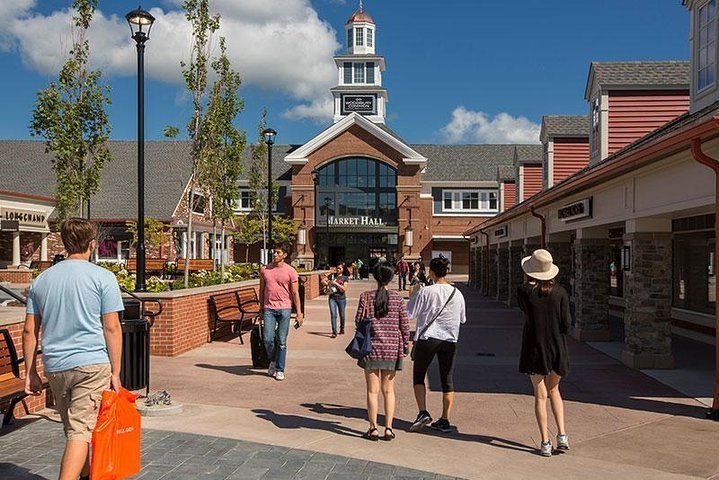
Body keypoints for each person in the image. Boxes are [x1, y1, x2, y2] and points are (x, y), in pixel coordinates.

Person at [23, 218, 124, 480]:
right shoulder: (103, 278)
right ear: (92, 244)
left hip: (56, 366)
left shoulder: (41, 281)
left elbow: (29, 331)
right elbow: (112, 328)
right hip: (92, 365)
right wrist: (116, 371)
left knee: (75, 429)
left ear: (65, 243)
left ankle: (86, 475)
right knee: (80, 430)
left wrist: (30, 371)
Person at [517, 249, 571, 457]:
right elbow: (567, 323)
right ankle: (563, 435)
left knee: (540, 396)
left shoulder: (525, 292)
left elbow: (524, 290)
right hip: (557, 346)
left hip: (534, 347)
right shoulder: (561, 293)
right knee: (555, 391)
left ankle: (545, 442)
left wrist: (533, 280)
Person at [407, 257, 466, 433]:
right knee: (447, 380)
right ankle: (445, 419)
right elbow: (462, 318)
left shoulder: (426, 292)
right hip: (450, 339)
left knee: (419, 376)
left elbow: (410, 313)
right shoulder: (457, 293)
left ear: (431, 272)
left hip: (428, 338)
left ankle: (423, 412)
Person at [355, 261, 410, 441]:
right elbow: (404, 326)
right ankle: (388, 428)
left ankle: (373, 428)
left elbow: (358, 321)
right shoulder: (398, 299)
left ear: (375, 277)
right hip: (392, 349)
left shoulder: (365, 297)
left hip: (371, 349)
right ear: (391, 277)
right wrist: (406, 345)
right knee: (389, 391)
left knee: (372, 391)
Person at [259, 243, 304, 381]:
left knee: (282, 341)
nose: (275, 254)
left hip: (285, 308)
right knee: (267, 339)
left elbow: (295, 293)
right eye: (274, 252)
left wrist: (299, 313)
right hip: (269, 308)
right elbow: (261, 290)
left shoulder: (291, 271)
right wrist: (261, 308)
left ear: (284, 255)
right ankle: (273, 360)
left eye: (278, 252)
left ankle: (280, 368)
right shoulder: (265, 270)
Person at [321, 263, 350, 337]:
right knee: (333, 314)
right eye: (337, 268)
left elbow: (344, 289)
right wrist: (328, 283)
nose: (338, 269)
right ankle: (334, 332)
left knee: (342, 315)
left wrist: (336, 283)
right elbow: (323, 281)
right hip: (332, 298)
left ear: (343, 269)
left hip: (341, 299)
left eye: (340, 268)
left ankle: (342, 328)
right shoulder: (332, 275)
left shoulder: (345, 277)